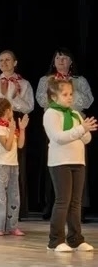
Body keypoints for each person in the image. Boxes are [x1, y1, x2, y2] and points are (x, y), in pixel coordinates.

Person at [36, 48, 94, 219]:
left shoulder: (79, 81)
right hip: (55, 123)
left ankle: (78, 208)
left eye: (65, 58)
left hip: (77, 124)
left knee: (77, 165)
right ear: (53, 62)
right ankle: (51, 205)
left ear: (71, 62)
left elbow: (88, 101)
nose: (61, 60)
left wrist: (69, 90)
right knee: (57, 165)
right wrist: (58, 93)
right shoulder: (46, 80)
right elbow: (42, 100)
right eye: (58, 58)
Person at [42, 78, 96, 252]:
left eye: (71, 94)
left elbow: (86, 139)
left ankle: (75, 239)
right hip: (60, 162)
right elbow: (58, 137)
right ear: (54, 96)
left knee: (76, 202)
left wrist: (84, 130)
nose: (69, 97)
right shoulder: (51, 114)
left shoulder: (75, 114)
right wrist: (81, 129)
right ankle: (55, 240)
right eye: (65, 94)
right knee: (62, 201)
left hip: (77, 160)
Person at [0, 50, 33, 220]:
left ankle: (16, 210)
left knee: (16, 161)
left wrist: (13, 98)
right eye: (1, 60)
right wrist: (2, 102)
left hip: (16, 120)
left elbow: (29, 106)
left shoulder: (23, 83)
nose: (4, 63)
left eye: (7, 60)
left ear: (15, 62)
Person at [0, 97, 28, 236]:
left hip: (13, 164)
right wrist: (12, 130)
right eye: (11, 109)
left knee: (14, 196)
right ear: (6, 111)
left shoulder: (9, 126)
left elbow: (20, 145)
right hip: (2, 164)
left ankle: (12, 225)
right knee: (0, 197)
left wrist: (21, 129)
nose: (12, 111)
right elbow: (7, 146)